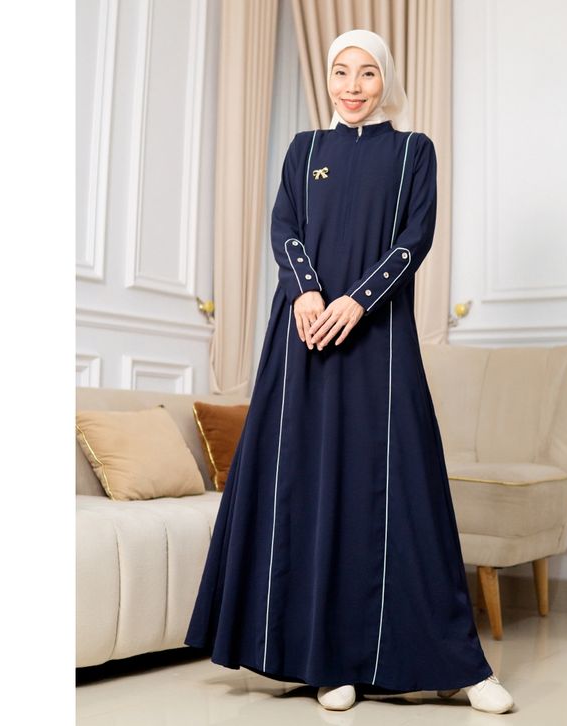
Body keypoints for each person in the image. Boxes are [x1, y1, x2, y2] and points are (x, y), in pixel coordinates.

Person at [185, 28, 514, 715]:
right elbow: (284, 228)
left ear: (385, 78)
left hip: (378, 342)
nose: (353, 86)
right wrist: (306, 292)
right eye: (341, 71)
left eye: (367, 72)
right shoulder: (304, 150)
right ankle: (325, 662)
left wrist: (357, 302)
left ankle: (457, 665)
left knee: (402, 489)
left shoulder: (412, 152)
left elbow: (414, 240)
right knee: (309, 490)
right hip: (304, 340)